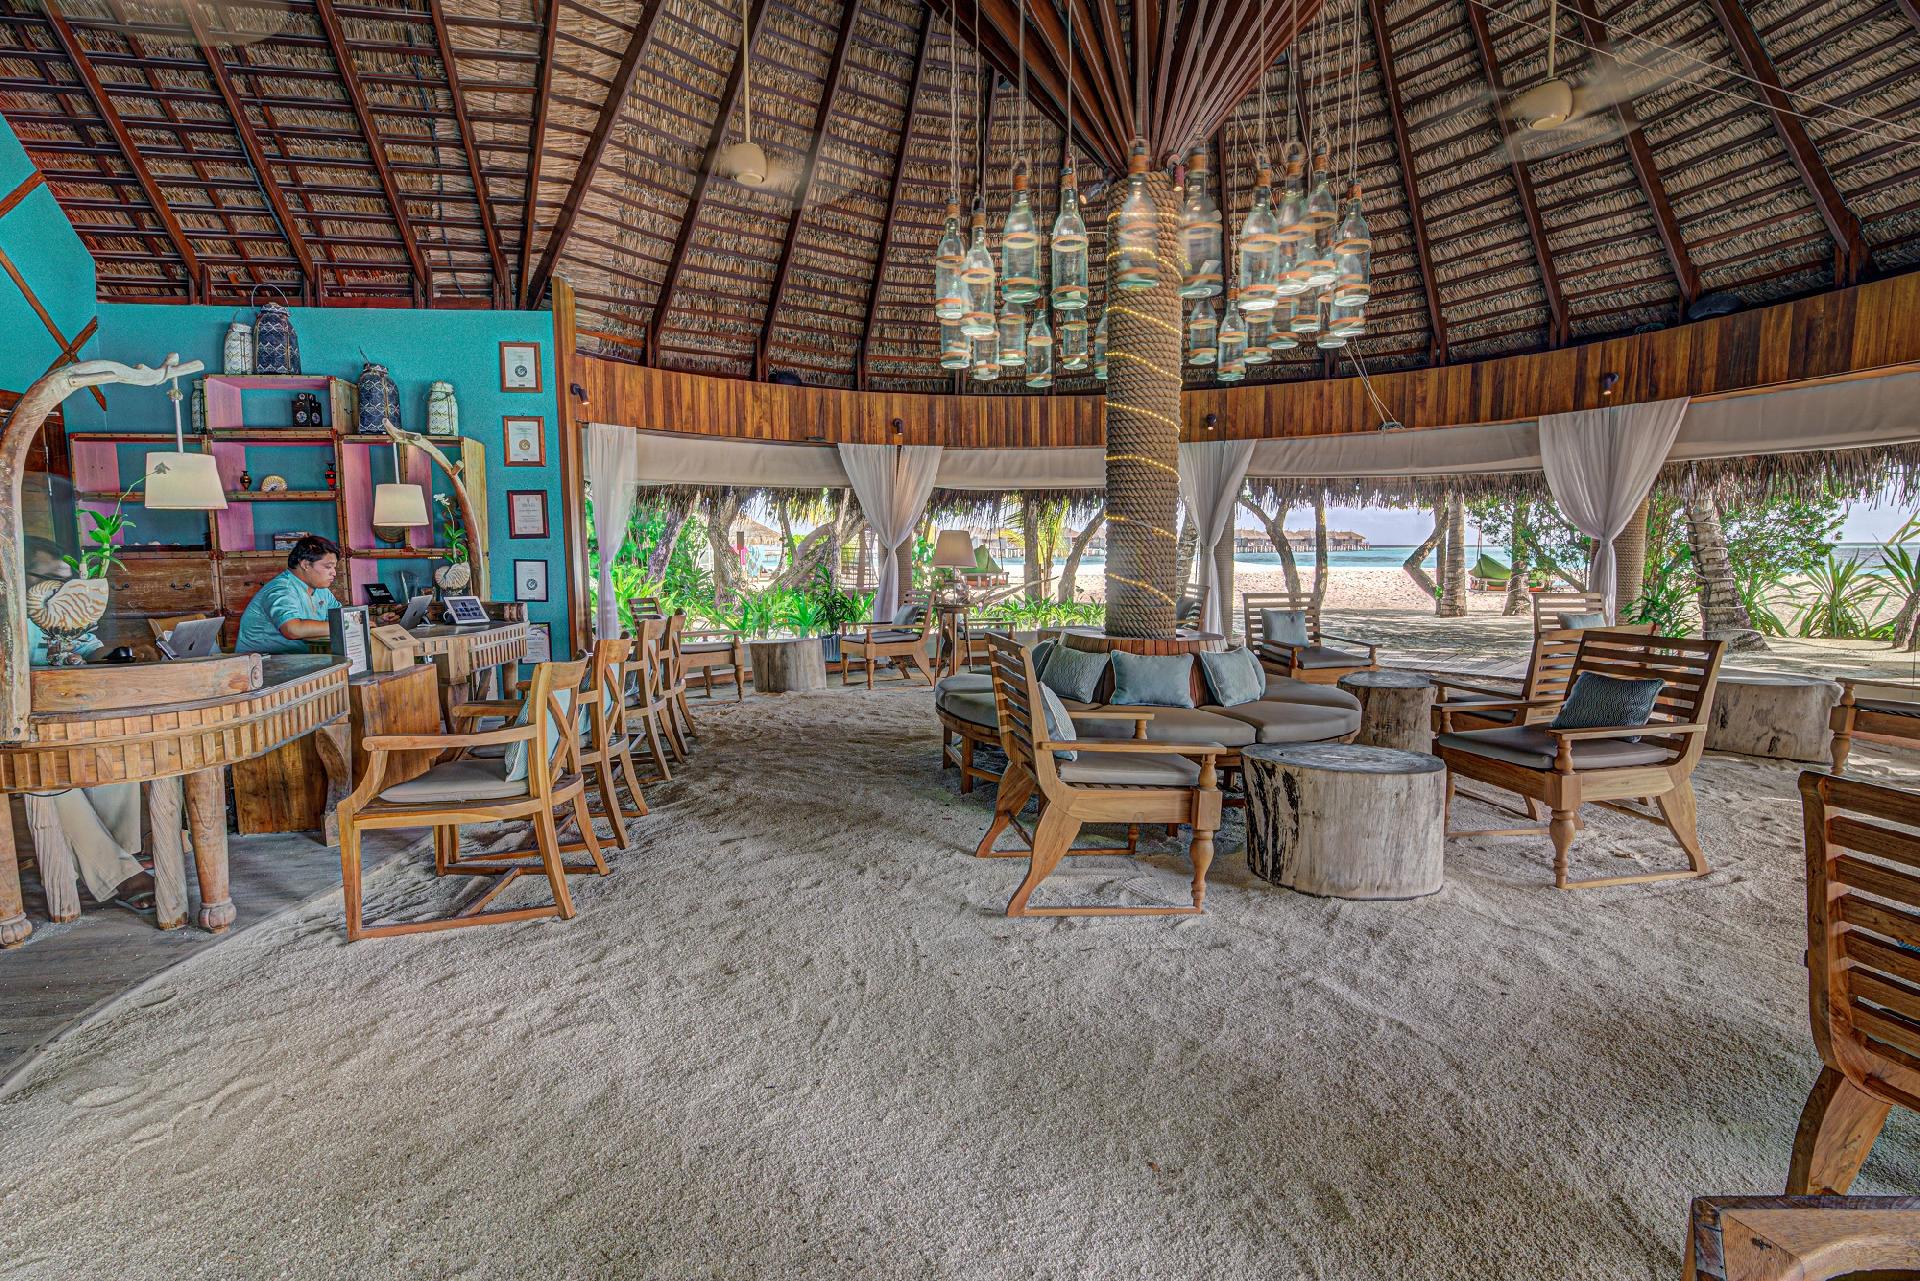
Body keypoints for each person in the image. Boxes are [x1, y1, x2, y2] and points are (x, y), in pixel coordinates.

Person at [21, 538, 153, 912]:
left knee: (115, 757)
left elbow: (88, 647)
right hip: (18, 732)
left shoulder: (60, 611)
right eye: (51, 578)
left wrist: (123, 654)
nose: (63, 588)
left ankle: (122, 857)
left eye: (66, 580)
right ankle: (118, 874)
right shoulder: (11, 616)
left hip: (58, 719)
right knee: (46, 778)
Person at [237, 535, 342, 655]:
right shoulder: (282, 589)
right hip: (262, 663)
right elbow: (292, 629)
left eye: (334, 567)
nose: (334, 573)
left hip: (301, 659)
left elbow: (340, 617)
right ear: (305, 564)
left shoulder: (322, 590)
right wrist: (342, 626)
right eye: (328, 567)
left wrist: (345, 623)